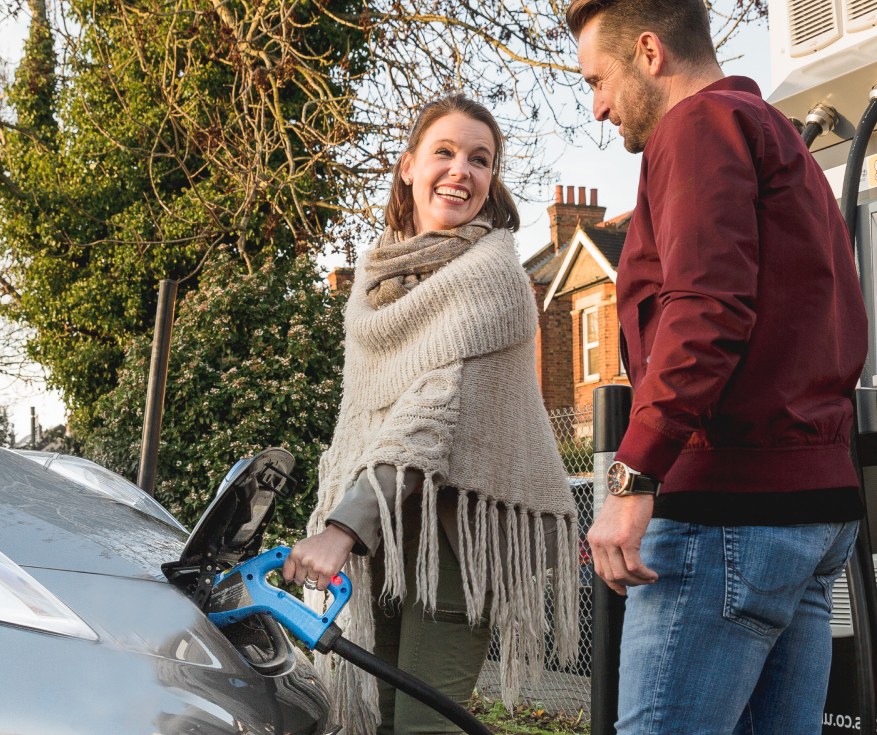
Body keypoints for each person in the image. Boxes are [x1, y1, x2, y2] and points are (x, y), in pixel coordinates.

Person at [567, 0, 869, 731]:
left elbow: (706, 309)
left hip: (727, 508)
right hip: (812, 512)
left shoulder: (699, 129)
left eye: (597, 80)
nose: (600, 108)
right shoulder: (776, 140)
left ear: (648, 52)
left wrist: (634, 475)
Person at [282, 94, 581, 735]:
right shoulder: (375, 281)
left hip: (454, 543)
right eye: (444, 152)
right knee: (381, 719)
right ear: (408, 166)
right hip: (385, 542)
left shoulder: (494, 277)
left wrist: (340, 529)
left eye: (480, 160)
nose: (461, 170)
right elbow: (364, 416)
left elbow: (430, 415)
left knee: (423, 727)